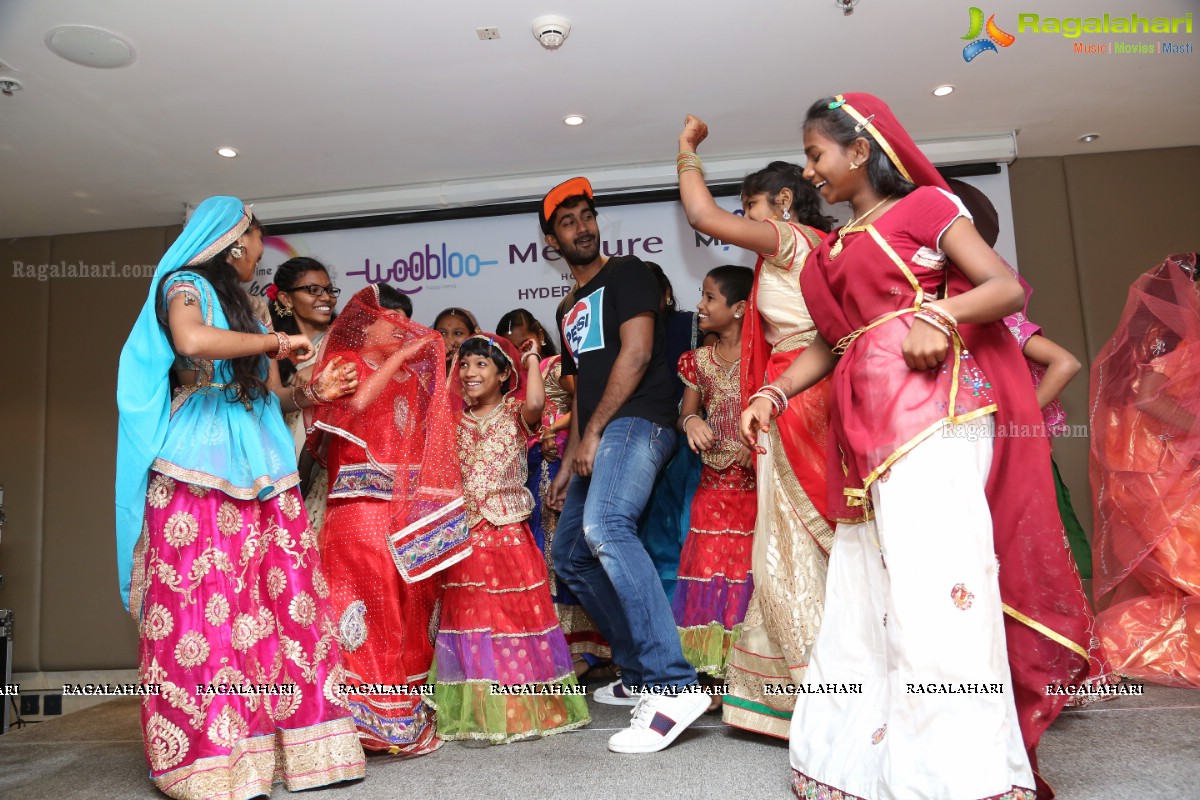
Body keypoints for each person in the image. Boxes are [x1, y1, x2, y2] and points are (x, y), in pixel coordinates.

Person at [737, 94, 1099, 799]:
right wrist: (772, 394)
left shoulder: (926, 209)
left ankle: (963, 778)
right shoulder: (833, 249)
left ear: (860, 149)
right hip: (863, 441)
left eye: (816, 155)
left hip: (935, 422)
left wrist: (940, 312)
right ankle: (864, 765)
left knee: (940, 594)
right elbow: (831, 343)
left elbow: (1001, 288)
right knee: (866, 598)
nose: (811, 171)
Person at [115, 196, 366, 799]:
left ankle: (310, 752)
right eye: (257, 239)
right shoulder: (185, 286)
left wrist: (311, 390)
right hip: (199, 461)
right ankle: (211, 760)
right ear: (234, 240)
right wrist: (276, 344)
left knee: (283, 605)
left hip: (262, 460)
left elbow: (269, 394)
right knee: (207, 609)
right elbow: (194, 341)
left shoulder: (249, 309)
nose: (260, 249)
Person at [675, 139, 836, 738]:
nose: (744, 220)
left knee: (791, 550)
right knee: (797, 547)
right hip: (796, 394)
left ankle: (824, 695)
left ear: (785, 202)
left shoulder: (791, 240)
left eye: (750, 206)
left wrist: (687, 152)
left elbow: (701, 216)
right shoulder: (818, 247)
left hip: (797, 398)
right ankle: (798, 690)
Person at [543, 177, 709, 753]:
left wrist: (593, 434)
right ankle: (641, 672)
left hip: (641, 420)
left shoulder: (629, 273)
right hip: (599, 430)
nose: (582, 228)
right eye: (568, 222)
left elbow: (637, 354)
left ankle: (673, 683)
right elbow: (583, 387)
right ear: (550, 241)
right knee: (569, 553)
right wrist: (569, 459)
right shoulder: (566, 309)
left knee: (606, 527)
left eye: (587, 217)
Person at [306, 285, 471, 753]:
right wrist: (401, 360)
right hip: (355, 508)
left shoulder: (410, 381)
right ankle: (347, 722)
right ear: (365, 324)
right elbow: (353, 407)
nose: (398, 330)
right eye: (388, 320)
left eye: (404, 321)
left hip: (396, 513)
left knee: (399, 612)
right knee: (357, 612)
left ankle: (394, 717)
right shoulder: (346, 366)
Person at [430, 333, 591, 742]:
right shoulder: (450, 419)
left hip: (508, 530)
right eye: (464, 364)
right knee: (473, 621)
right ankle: (483, 710)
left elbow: (537, 404)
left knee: (514, 620)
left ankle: (520, 706)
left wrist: (533, 358)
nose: (469, 372)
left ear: (505, 375)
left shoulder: (517, 413)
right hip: (467, 533)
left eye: (482, 364)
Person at [946, 179, 1092, 577]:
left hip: (1007, 450)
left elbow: (1066, 362)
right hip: (965, 445)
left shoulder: (997, 318)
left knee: (1022, 551)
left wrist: (1016, 416)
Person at [1091, 253, 1200, 688]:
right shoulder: (1170, 334)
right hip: (1155, 467)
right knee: (1184, 564)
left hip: (1145, 462)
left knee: (1169, 575)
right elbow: (1149, 399)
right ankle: (1116, 646)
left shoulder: (1161, 332)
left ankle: (1128, 644)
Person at [497, 309, 610, 670]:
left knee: (562, 546)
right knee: (538, 554)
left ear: (540, 337)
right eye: (508, 334)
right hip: (527, 470)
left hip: (559, 460)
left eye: (521, 333)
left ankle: (586, 648)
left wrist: (550, 431)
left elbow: (582, 401)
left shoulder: (557, 365)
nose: (515, 339)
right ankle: (551, 645)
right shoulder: (504, 379)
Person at [673, 265, 757, 682]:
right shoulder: (699, 361)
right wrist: (690, 423)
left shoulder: (766, 357)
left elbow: (783, 410)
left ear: (740, 308)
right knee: (708, 573)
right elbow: (688, 410)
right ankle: (711, 673)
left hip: (754, 488)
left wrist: (757, 443)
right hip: (711, 489)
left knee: (747, 575)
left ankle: (748, 671)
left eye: (709, 298)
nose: (700, 305)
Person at [637, 262, 706, 602]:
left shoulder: (691, 325)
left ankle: (695, 611)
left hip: (693, 442)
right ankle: (668, 621)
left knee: (691, 528)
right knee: (655, 535)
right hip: (643, 442)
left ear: (666, 294)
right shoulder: (627, 335)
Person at [268, 256, 341, 531]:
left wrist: (321, 371)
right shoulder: (270, 344)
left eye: (329, 290)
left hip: (325, 466)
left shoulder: (345, 340)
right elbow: (267, 400)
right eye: (313, 290)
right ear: (286, 299)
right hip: (279, 455)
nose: (326, 298)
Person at [433, 306, 479, 373]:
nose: (450, 340)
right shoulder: (424, 373)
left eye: (458, 333)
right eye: (442, 333)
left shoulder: (480, 372)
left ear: (472, 335)